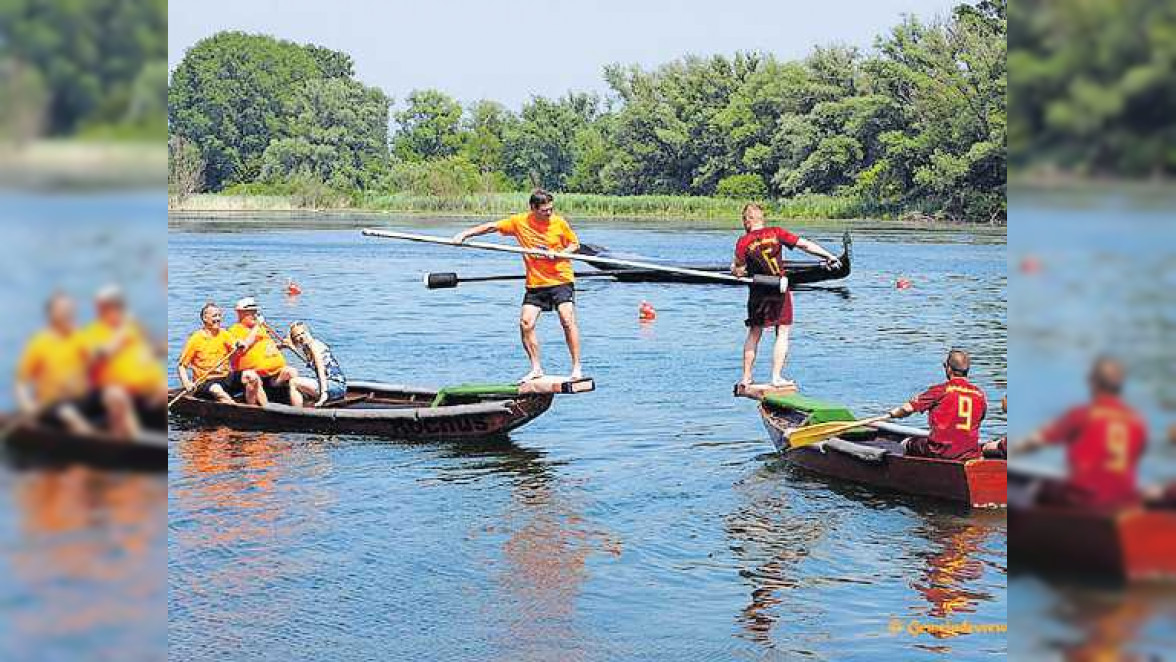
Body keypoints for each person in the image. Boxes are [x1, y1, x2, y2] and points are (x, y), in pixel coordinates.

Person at [453, 188, 583, 382]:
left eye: (551, 209)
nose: (549, 213)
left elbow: (575, 245)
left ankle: (576, 368)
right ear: (533, 208)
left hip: (560, 279)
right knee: (526, 323)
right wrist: (465, 235)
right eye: (544, 210)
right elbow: (491, 227)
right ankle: (536, 368)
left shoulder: (559, 223)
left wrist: (560, 252)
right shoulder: (519, 222)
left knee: (566, 319)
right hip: (535, 283)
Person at [1010, 356, 1148, 508]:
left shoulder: (1083, 415)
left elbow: (1037, 441)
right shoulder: (1137, 420)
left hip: (1085, 500)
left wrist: (1012, 450)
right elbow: (1136, 454)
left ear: (1093, 382)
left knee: (1036, 490)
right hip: (1125, 501)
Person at [732, 203, 841, 388]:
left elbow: (740, 272)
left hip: (758, 290)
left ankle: (746, 377)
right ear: (761, 219)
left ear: (747, 221)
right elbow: (805, 245)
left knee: (754, 333)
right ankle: (776, 377)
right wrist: (829, 256)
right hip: (780, 287)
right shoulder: (776, 232)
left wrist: (734, 269)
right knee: (782, 332)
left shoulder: (743, 241)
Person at [81, 285, 168, 438]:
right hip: (109, 390)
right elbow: (93, 358)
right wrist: (118, 339)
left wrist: (161, 347)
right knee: (117, 395)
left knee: (164, 387)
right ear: (101, 309)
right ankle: (137, 443)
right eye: (110, 307)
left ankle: (165, 434)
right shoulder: (92, 332)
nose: (115, 311)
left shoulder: (132, 328)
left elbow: (152, 349)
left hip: (143, 389)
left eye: (118, 306)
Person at [14, 293, 94, 434]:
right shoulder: (38, 342)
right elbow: (21, 383)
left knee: (113, 396)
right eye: (65, 310)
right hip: (51, 405)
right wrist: (28, 407)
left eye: (72, 309)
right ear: (51, 314)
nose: (70, 313)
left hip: (79, 400)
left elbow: (96, 360)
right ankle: (97, 444)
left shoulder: (81, 337)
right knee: (67, 413)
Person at [887, 349, 988, 461]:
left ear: (948, 368)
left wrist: (895, 413)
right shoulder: (980, 395)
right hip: (969, 453)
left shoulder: (940, 390)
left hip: (940, 451)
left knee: (906, 443)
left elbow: (907, 408)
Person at [227, 297, 301, 407]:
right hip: (252, 376)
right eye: (251, 313)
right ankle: (265, 410)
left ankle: (298, 407)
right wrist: (257, 327)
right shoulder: (235, 330)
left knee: (291, 372)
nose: (255, 315)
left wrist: (281, 346)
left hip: (272, 376)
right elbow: (244, 346)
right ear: (240, 313)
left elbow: (266, 348)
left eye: (256, 312)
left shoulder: (261, 329)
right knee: (253, 378)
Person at [177, 302, 237, 404]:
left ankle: (261, 408)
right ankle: (238, 412)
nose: (218, 319)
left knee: (251, 376)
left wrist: (240, 345)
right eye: (214, 316)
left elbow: (236, 346)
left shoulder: (224, 334)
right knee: (217, 389)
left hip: (225, 377)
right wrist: (186, 383)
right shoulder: (196, 339)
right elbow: (182, 366)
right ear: (205, 318)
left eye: (219, 315)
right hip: (205, 381)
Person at [286, 322, 347, 407]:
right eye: (297, 335)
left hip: (335, 386)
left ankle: (297, 413)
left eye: (302, 333)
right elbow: (306, 360)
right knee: (300, 384)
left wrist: (323, 394)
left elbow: (320, 369)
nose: (301, 337)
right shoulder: (307, 348)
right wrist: (291, 348)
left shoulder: (314, 345)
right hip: (336, 386)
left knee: (293, 382)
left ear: (307, 332)